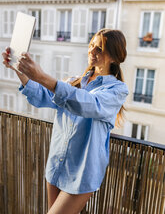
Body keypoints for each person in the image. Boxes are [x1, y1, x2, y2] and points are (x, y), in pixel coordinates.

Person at [2, 28, 129, 214]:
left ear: (114, 56)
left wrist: (42, 76)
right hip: (56, 165)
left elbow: (86, 104)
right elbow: (41, 96)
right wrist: (19, 70)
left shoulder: (117, 90)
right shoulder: (75, 82)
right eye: (91, 45)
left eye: (99, 48)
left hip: (81, 172)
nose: (92, 51)